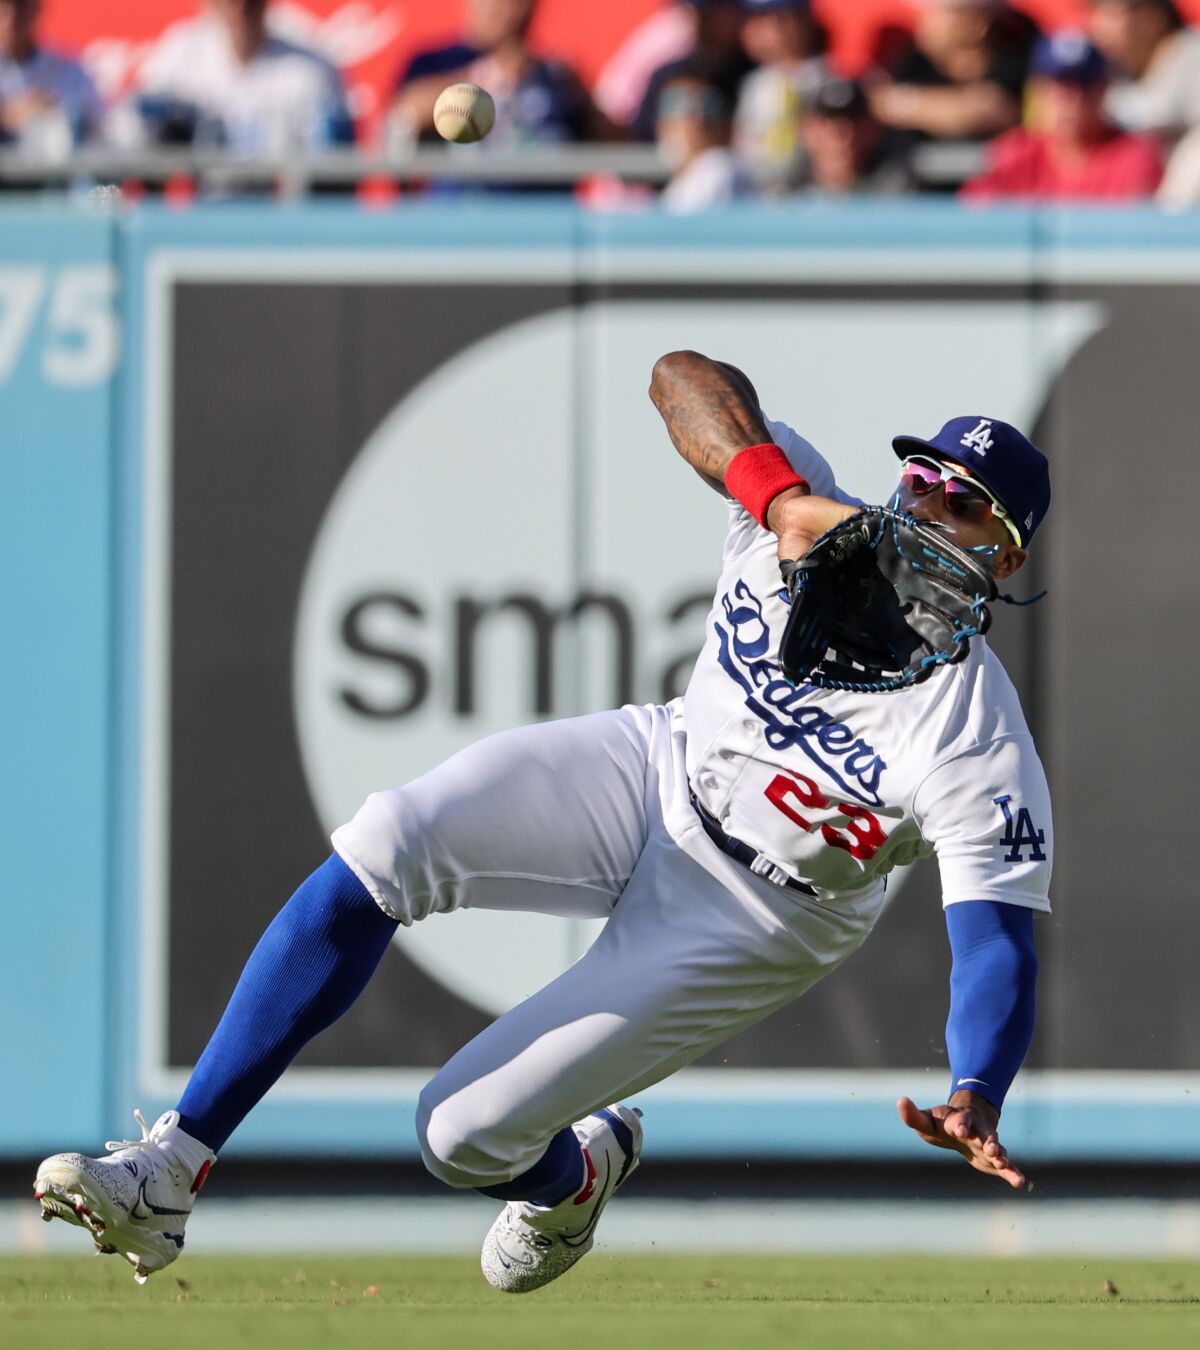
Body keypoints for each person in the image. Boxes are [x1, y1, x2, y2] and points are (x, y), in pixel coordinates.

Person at [34, 352, 1051, 1293]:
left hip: (761, 912)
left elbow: (996, 944)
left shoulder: (975, 735)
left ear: (1002, 560)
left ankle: (574, 1180)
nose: (927, 501)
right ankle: (172, 1167)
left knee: (458, 1134)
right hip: (657, 765)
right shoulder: (799, 511)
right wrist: (774, 493)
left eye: (965, 504)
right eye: (922, 477)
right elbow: (680, 379)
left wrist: (977, 1087)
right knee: (388, 839)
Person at [111, 0, 353, 154]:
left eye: (249, 2)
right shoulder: (182, 52)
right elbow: (127, 129)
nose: (239, 9)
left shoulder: (307, 69)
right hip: (197, 212)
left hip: (280, 215)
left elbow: (333, 168)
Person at [962, 31, 1163, 202]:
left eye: (1085, 86)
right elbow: (976, 225)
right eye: (1060, 87)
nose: (1073, 100)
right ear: (1038, 91)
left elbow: (1126, 235)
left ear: (1104, 90)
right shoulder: (1012, 154)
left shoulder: (1133, 156)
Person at [390, 0, 610, 151]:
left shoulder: (556, 76)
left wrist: (583, 100)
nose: (505, 8)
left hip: (547, 211)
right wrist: (479, 76)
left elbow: (615, 150)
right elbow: (402, 117)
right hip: (462, 209)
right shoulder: (436, 62)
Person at [871, 0, 1039, 169]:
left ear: (976, 24)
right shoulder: (914, 63)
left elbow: (995, 113)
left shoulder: (1019, 60)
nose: (926, 22)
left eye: (940, 14)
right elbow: (881, 102)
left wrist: (911, 105)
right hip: (916, 190)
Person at [634, 0, 754, 141]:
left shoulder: (754, 73)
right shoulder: (668, 75)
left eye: (713, 13)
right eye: (698, 13)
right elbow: (644, 136)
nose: (705, 22)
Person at [1088, 0, 1200, 141]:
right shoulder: (1108, 72)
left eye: (1111, 15)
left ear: (1153, 16)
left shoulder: (1194, 57)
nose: (1099, 27)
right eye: (1096, 13)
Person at [0, 0, 102, 155]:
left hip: (55, 173)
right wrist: (6, 116)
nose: (11, 18)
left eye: (19, 6)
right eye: (3, 8)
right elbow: (11, 117)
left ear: (35, 9)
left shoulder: (66, 65)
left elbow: (95, 121)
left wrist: (53, 112)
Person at [657, 63, 757, 209]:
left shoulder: (719, 168)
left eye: (708, 105)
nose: (697, 118)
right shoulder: (682, 184)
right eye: (678, 103)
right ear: (660, 124)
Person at [795, 75, 915, 195]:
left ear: (873, 129)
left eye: (855, 122)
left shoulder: (896, 192)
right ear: (807, 129)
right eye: (828, 123)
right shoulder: (785, 191)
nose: (843, 136)